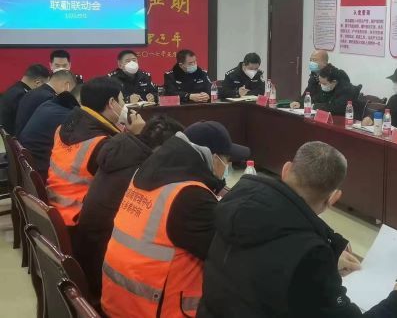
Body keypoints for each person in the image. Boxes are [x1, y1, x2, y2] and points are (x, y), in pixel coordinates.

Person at [198, 141, 397, 318]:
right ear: (333, 198)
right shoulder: (309, 254)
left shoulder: (236, 205)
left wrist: (330, 252)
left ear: (286, 170)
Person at [101, 121, 250, 317]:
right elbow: (229, 254)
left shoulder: (147, 172)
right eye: (227, 160)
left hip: (119, 302)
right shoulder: (189, 196)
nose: (227, 166)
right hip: (152, 310)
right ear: (214, 159)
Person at [76, 114, 184, 300]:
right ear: (161, 149)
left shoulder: (121, 152)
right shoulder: (143, 172)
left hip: (90, 256)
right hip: (107, 275)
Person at [46, 77, 145, 228]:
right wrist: (137, 136)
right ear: (112, 103)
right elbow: (136, 172)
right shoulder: (100, 143)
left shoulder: (64, 126)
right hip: (79, 218)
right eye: (121, 100)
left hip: (57, 207)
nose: (124, 105)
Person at [19, 84, 82, 180]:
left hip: (31, 167)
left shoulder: (49, 104)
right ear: (82, 102)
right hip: (43, 172)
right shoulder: (67, 117)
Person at [14, 69, 77, 137]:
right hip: (33, 141)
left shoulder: (31, 92)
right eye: (72, 90)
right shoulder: (50, 99)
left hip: (21, 138)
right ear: (67, 86)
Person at [0, 64, 49, 135]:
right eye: (45, 86)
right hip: (11, 137)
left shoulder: (14, 89)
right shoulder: (23, 95)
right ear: (37, 83)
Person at [290, 64, 357, 115]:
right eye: (320, 82)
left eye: (324, 83)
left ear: (334, 82)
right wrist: (300, 103)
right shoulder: (329, 86)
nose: (321, 85)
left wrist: (315, 106)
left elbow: (336, 108)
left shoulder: (346, 90)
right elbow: (316, 98)